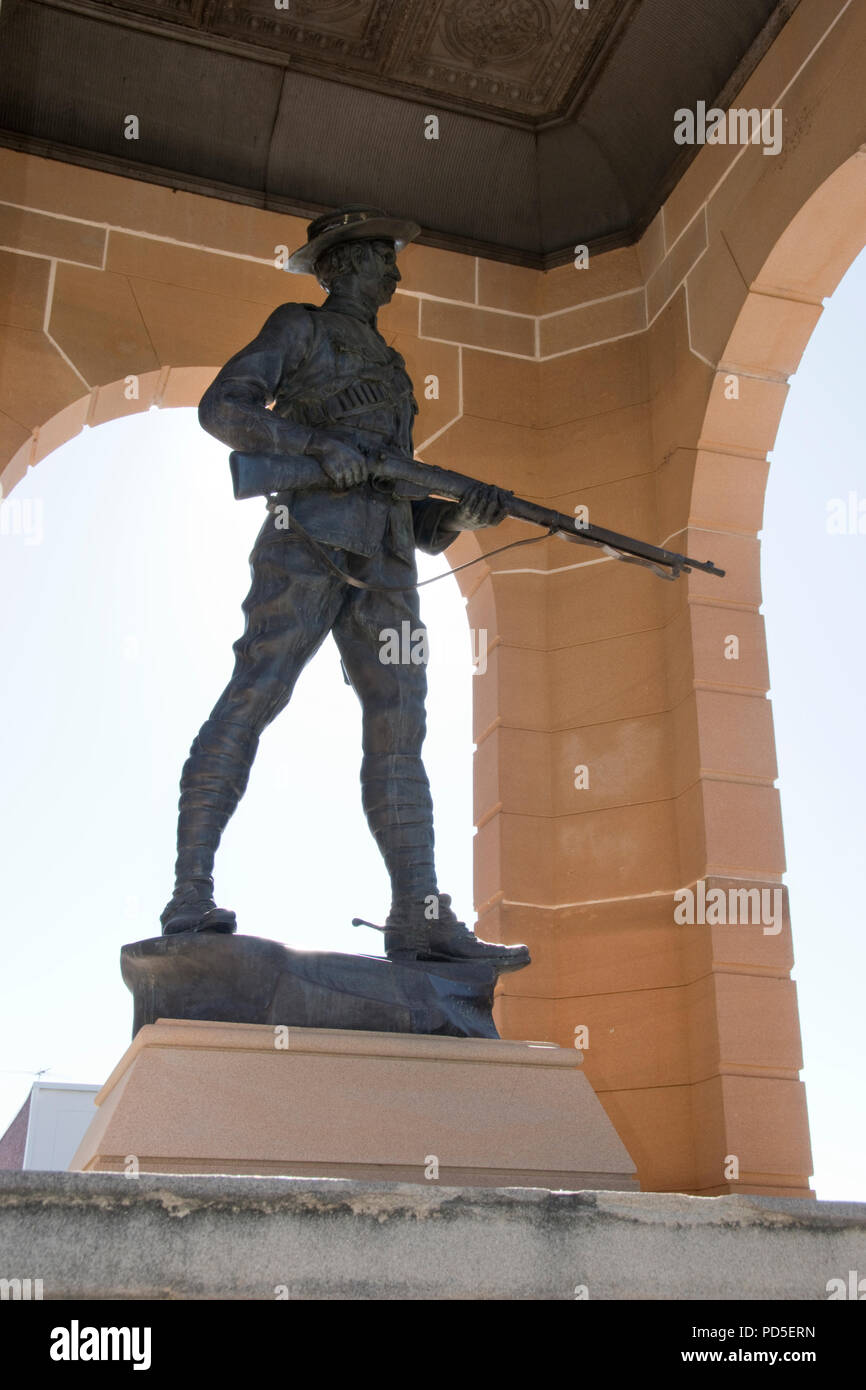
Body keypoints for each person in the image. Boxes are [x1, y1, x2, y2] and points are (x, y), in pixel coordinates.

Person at [160, 205, 529, 971]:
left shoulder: (392, 369)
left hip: (389, 563)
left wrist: (460, 512)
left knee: (401, 734)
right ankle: (189, 893)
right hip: (307, 543)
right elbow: (221, 409)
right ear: (338, 268)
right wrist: (316, 447)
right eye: (379, 260)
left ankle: (419, 915)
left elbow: (420, 521)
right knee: (253, 696)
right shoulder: (298, 327)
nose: (394, 272)